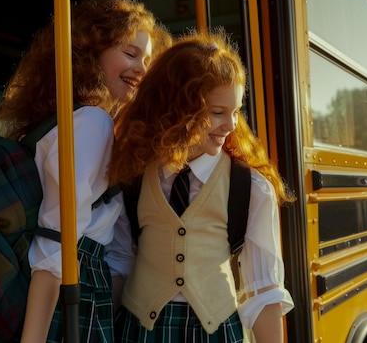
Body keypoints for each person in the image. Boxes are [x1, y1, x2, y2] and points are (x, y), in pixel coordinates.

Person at [0, 0, 171, 342]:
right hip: (72, 290)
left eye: (147, 60)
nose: (142, 69)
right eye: (130, 54)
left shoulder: (63, 120)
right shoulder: (92, 122)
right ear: (90, 53)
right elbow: (56, 243)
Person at [106, 30, 295, 343]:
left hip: (217, 332)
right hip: (139, 330)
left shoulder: (250, 187)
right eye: (217, 113)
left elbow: (264, 290)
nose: (232, 125)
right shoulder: (134, 177)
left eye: (235, 112)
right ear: (176, 110)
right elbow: (121, 261)